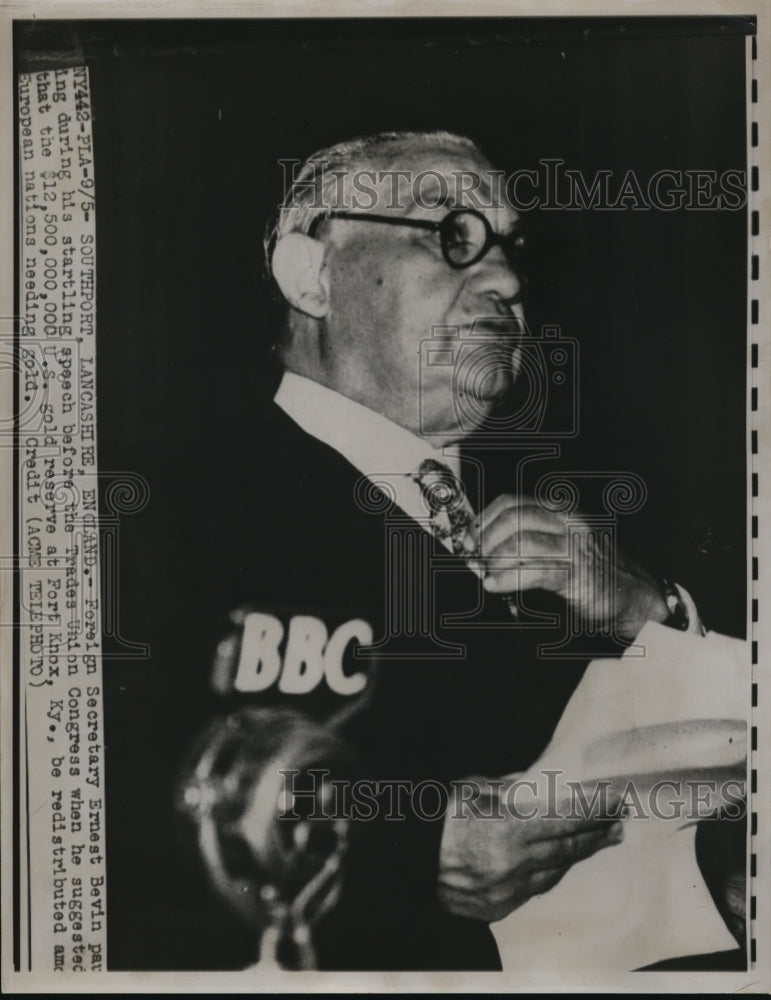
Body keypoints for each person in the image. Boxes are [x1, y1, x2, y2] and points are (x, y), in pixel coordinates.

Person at [105, 129, 723, 972]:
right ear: (311, 276)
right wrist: (401, 848)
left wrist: (654, 614)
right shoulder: (149, 502)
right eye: (451, 235)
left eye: (509, 249)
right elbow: (71, 807)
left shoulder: (578, 522)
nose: (505, 282)